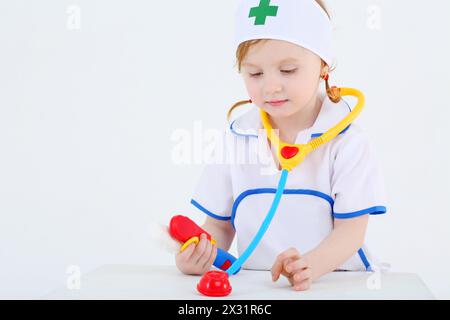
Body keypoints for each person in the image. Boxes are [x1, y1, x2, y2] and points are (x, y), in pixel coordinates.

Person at [175, 0, 388, 291]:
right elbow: (219, 225)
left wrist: (309, 265)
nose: (271, 86)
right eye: (255, 74)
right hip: (261, 287)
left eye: (288, 70)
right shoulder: (237, 138)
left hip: (337, 284)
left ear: (323, 64)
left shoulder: (348, 142)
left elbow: (351, 233)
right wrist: (197, 254)